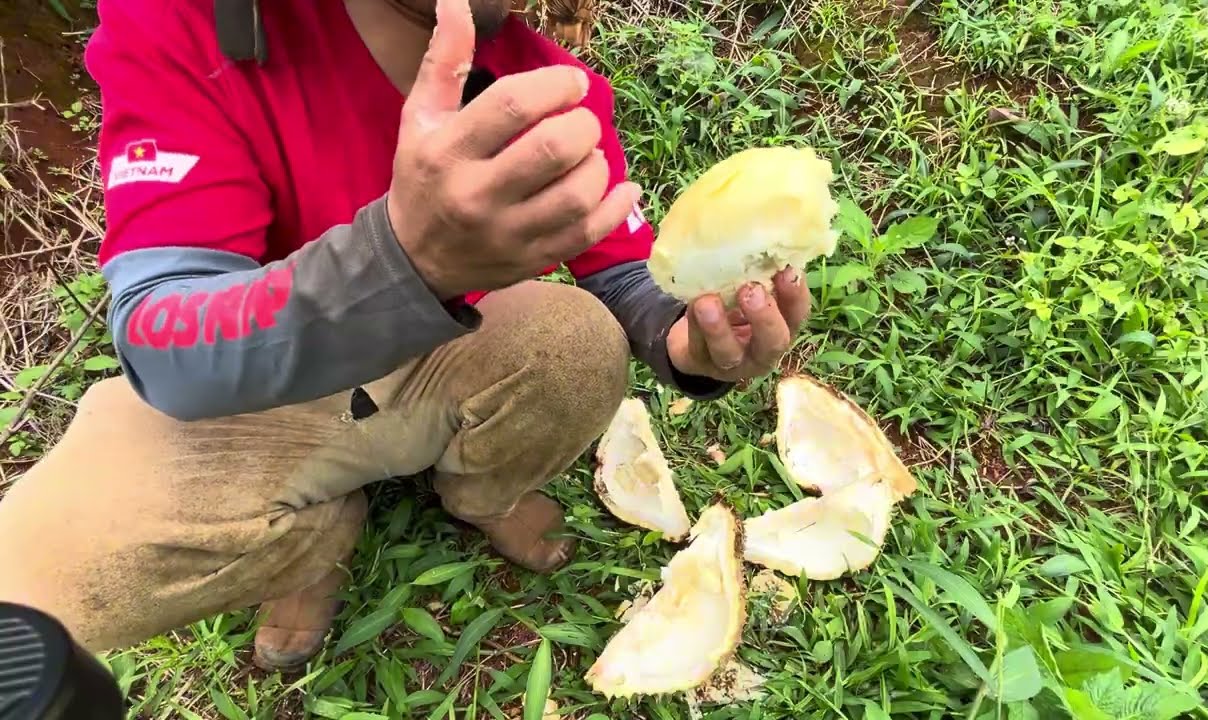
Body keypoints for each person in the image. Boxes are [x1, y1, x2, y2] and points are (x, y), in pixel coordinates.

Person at [0, 0, 810, 672]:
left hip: (444, 356)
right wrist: (400, 258)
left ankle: (481, 495)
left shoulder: (544, 89)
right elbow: (162, 344)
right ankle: (315, 542)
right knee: (38, 567)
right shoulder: (187, 26)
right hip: (258, 390)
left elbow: (624, 274)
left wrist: (687, 343)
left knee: (578, 337)